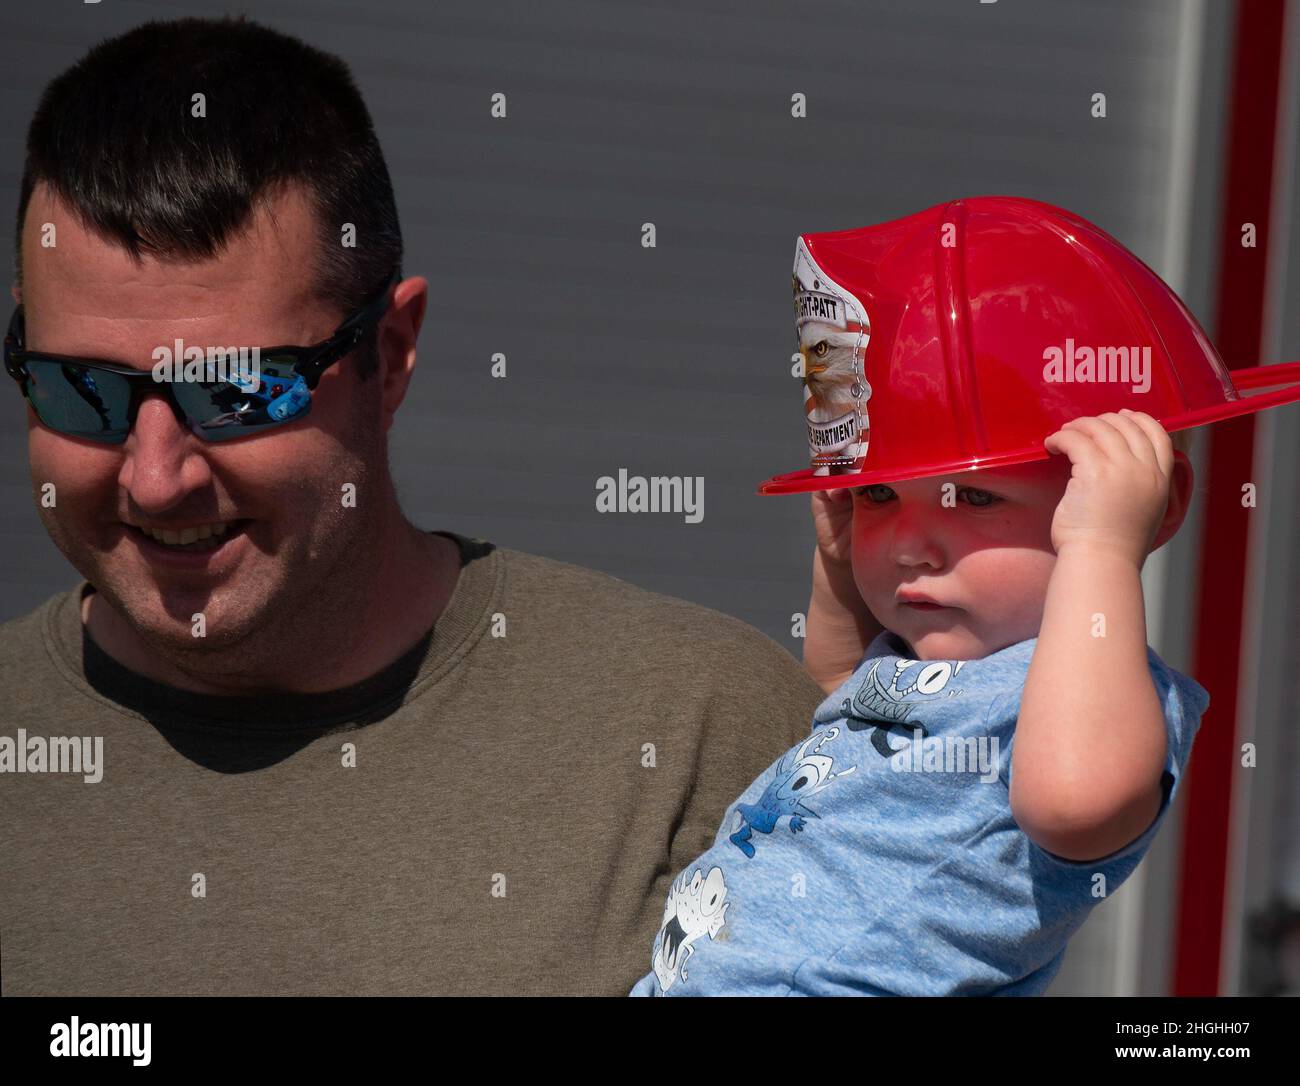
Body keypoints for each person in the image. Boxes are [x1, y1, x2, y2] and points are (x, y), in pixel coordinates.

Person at [0, 17, 826, 996]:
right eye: (79, 388)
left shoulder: (702, 733)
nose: (153, 476)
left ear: (387, 356)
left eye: (235, 390)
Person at [629, 197, 1300, 996]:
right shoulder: (923, 657)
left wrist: (1101, 551)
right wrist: (843, 576)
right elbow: (838, 709)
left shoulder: (1091, 695)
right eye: (880, 498)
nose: (910, 543)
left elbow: (1075, 807)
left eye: (974, 500)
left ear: (1146, 507)